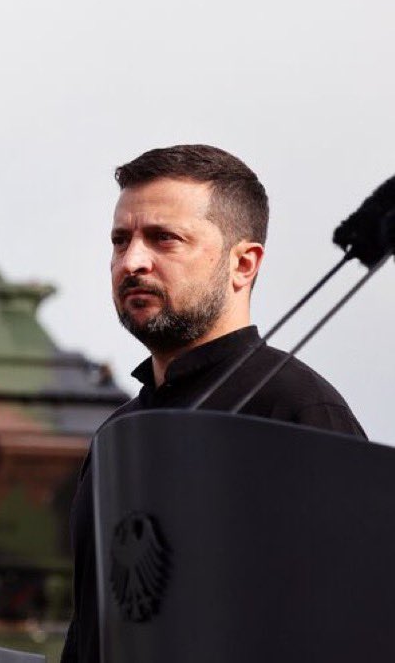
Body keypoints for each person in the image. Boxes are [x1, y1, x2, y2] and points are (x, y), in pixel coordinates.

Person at [60, 144, 366, 663]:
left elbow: (356, 627)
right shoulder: (118, 434)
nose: (132, 261)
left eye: (164, 238)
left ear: (243, 264)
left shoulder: (298, 413)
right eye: (120, 240)